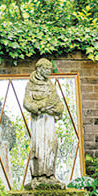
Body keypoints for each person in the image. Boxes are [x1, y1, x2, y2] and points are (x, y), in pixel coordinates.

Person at [23, 58, 65, 187]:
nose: (49, 72)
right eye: (47, 69)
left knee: (52, 145)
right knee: (38, 147)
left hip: (50, 121)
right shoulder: (31, 84)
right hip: (39, 121)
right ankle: (37, 176)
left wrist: (57, 109)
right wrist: (40, 107)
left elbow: (58, 103)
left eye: (50, 70)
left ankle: (50, 174)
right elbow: (27, 103)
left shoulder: (50, 85)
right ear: (39, 69)